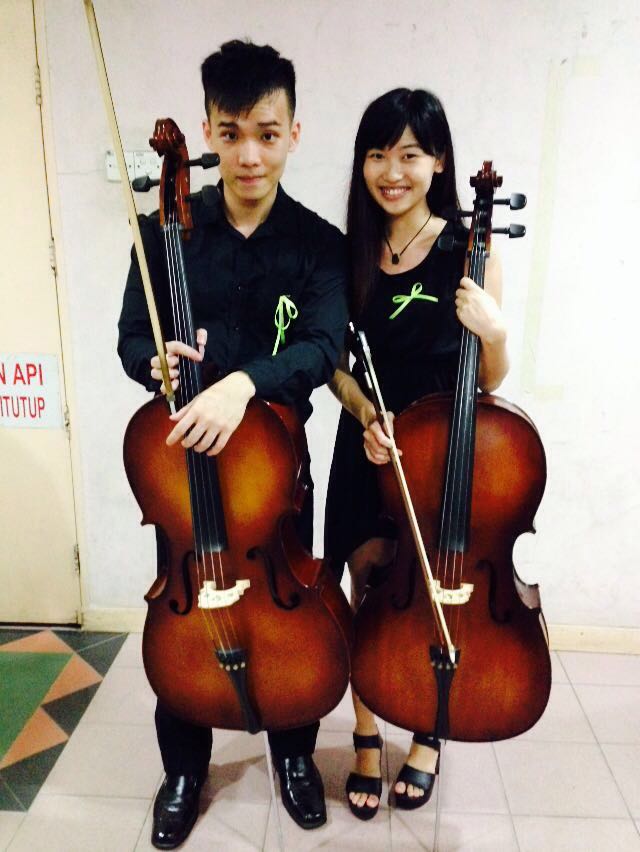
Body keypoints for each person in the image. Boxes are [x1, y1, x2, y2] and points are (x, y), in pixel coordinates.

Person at [118, 40, 347, 848]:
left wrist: (245, 383)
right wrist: (151, 362)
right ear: (209, 132)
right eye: (231, 133)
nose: (249, 154)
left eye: (267, 133)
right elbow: (130, 338)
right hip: (184, 479)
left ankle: (293, 756)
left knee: (290, 619)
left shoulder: (318, 243)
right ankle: (184, 771)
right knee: (185, 616)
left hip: (277, 475)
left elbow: (323, 346)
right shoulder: (164, 232)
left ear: (293, 133)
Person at [324, 87, 509, 820]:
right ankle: (367, 735)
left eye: (409, 154)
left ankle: (429, 734)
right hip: (367, 446)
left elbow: (489, 381)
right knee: (368, 592)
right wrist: (366, 414)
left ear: (438, 161)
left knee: (433, 598)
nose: (391, 171)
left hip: (440, 459)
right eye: (377, 155)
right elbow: (334, 365)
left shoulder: (470, 250)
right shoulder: (349, 252)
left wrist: (494, 331)